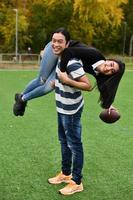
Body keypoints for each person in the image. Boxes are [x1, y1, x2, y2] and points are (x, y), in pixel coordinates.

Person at [13, 38, 125, 116]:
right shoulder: (94, 54)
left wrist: (108, 105)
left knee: (49, 87)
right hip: (57, 49)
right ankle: (21, 98)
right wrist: (61, 73)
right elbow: (68, 51)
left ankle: (22, 98)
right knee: (42, 80)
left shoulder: (100, 74)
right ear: (110, 60)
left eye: (112, 71)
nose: (108, 68)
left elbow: (103, 89)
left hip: (64, 59)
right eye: (111, 65)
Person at [47, 27, 92, 195]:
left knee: (74, 144)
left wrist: (67, 80)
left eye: (60, 41)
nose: (56, 44)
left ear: (67, 44)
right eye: (54, 40)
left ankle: (77, 181)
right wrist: (57, 83)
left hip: (71, 110)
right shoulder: (59, 58)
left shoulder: (72, 62)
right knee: (63, 141)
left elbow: (88, 86)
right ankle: (66, 174)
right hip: (61, 107)